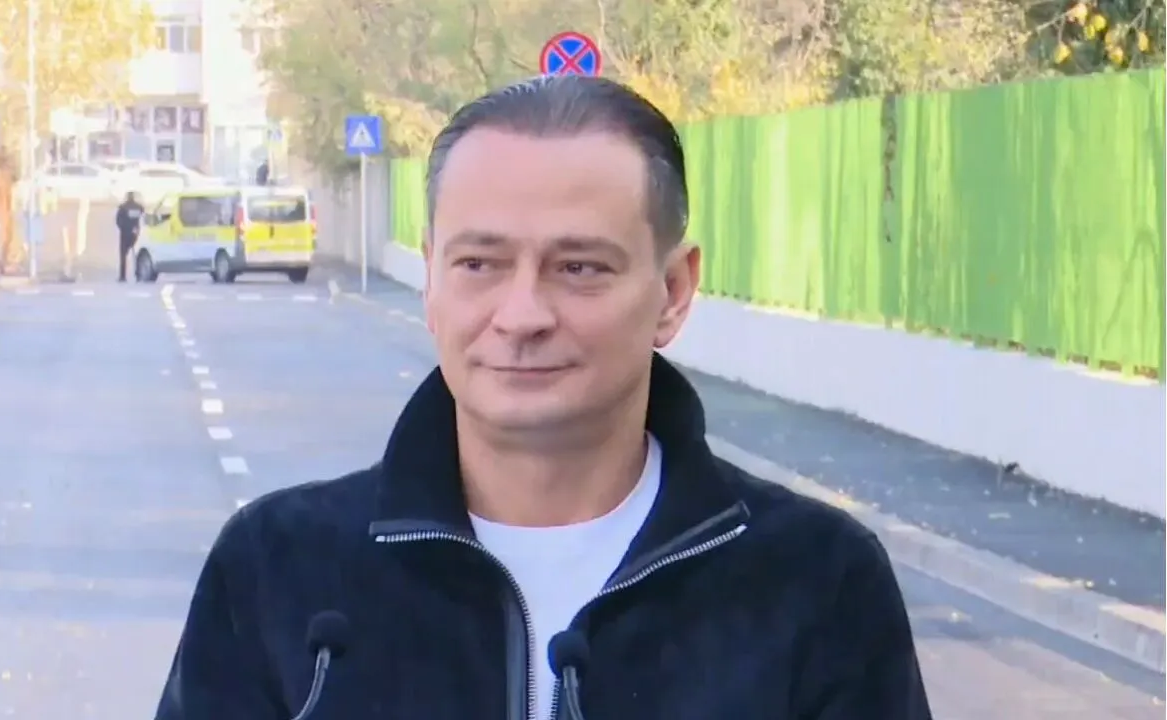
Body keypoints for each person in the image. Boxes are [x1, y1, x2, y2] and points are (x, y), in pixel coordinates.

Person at [154, 76, 932, 720]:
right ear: (431, 281)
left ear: (672, 291)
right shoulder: (278, 570)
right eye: (479, 264)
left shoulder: (815, 582)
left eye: (579, 268)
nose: (521, 315)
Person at [114, 191, 143, 281]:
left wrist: (123, 228)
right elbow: (142, 219)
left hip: (125, 234)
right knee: (137, 255)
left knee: (123, 256)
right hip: (135, 234)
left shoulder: (123, 207)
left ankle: (122, 276)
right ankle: (139, 275)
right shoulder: (139, 207)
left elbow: (118, 221)